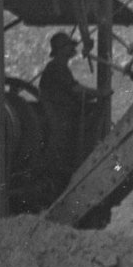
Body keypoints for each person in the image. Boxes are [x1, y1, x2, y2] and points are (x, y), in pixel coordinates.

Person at [37, 32, 105, 176]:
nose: (72, 48)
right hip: (57, 114)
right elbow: (74, 88)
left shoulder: (58, 67)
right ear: (61, 50)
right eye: (68, 46)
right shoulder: (57, 67)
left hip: (61, 111)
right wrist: (99, 93)